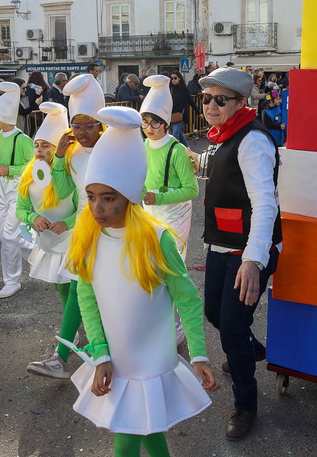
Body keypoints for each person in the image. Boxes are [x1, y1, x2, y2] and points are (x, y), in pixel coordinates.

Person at [68, 106, 219, 457]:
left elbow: (188, 299)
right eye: (92, 197)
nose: (98, 208)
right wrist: (101, 353)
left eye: (109, 198)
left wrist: (197, 354)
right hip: (116, 358)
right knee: (146, 427)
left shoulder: (156, 239)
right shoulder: (88, 238)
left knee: (129, 431)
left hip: (150, 359)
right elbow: (86, 296)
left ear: (130, 197)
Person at [195, 67, 283, 441]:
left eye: (220, 100)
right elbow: (220, 170)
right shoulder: (223, 135)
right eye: (206, 98)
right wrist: (192, 160)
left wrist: (252, 260)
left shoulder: (253, 141)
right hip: (219, 243)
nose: (211, 106)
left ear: (241, 102)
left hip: (246, 251)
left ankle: (246, 405)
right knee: (214, 312)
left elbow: (266, 205)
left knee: (231, 326)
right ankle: (250, 347)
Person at [36, 74, 105, 375]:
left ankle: (104, 350)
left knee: (105, 292)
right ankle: (62, 356)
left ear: (101, 124)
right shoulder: (72, 152)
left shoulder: (114, 146)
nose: (82, 132)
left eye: (88, 126)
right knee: (81, 289)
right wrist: (61, 157)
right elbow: (63, 191)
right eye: (76, 126)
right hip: (82, 229)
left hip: (112, 230)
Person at [18, 102, 79, 378]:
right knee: (61, 287)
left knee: (76, 289)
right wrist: (33, 219)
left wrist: (65, 222)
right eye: (38, 145)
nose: (40, 150)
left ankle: (64, 348)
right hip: (48, 242)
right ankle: (74, 331)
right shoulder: (29, 173)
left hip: (72, 240)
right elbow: (21, 208)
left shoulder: (68, 173)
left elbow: (83, 209)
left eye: (47, 146)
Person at [0, 82, 35, 298]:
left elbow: (35, 168)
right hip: (2, 189)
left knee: (9, 233)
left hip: (19, 190)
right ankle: (36, 254)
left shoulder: (23, 140)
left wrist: (11, 170)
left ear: (3, 119)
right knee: (1, 234)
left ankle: (12, 280)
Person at [140, 75, 199, 258]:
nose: (149, 128)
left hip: (175, 213)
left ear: (166, 124)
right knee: (150, 262)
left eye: (155, 122)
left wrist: (157, 198)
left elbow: (192, 190)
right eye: (145, 122)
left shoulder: (177, 150)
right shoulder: (143, 146)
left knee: (170, 262)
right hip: (149, 210)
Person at [169, 70, 197, 147]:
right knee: (179, 134)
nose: (173, 80)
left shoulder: (183, 89)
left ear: (179, 78)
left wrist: (198, 112)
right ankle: (188, 150)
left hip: (182, 115)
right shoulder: (170, 88)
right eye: (171, 79)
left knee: (175, 134)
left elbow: (191, 101)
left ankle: (173, 151)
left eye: (175, 78)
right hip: (172, 115)